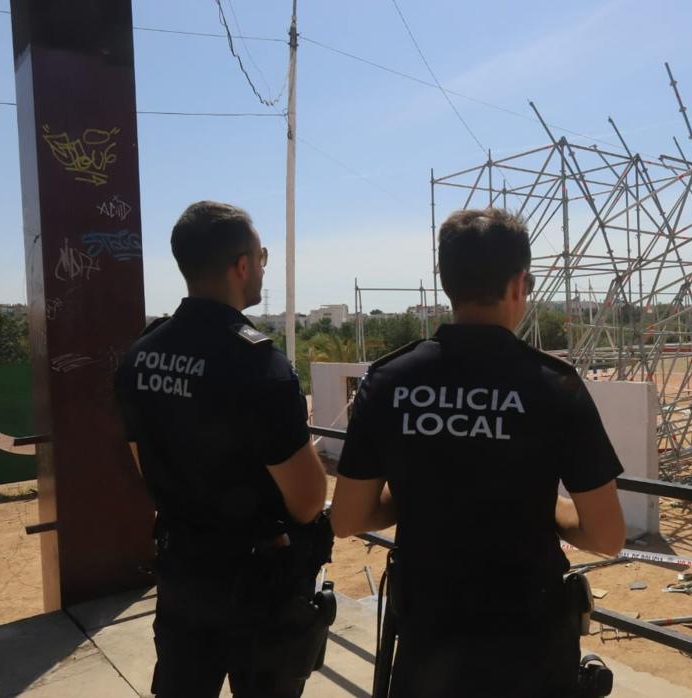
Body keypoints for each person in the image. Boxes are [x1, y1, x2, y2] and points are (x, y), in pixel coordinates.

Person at [330, 207, 626, 698]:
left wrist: (426, 495)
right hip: (530, 651)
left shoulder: (389, 380)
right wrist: (544, 506)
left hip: (428, 644)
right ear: (518, 285)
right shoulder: (555, 387)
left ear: (446, 282)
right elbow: (607, 534)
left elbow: (347, 517)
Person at [114, 201, 333, 698]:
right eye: (262, 256)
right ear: (242, 264)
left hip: (182, 574)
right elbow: (305, 500)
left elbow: (143, 464)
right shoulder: (258, 365)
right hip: (258, 589)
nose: (261, 267)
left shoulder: (140, 354)